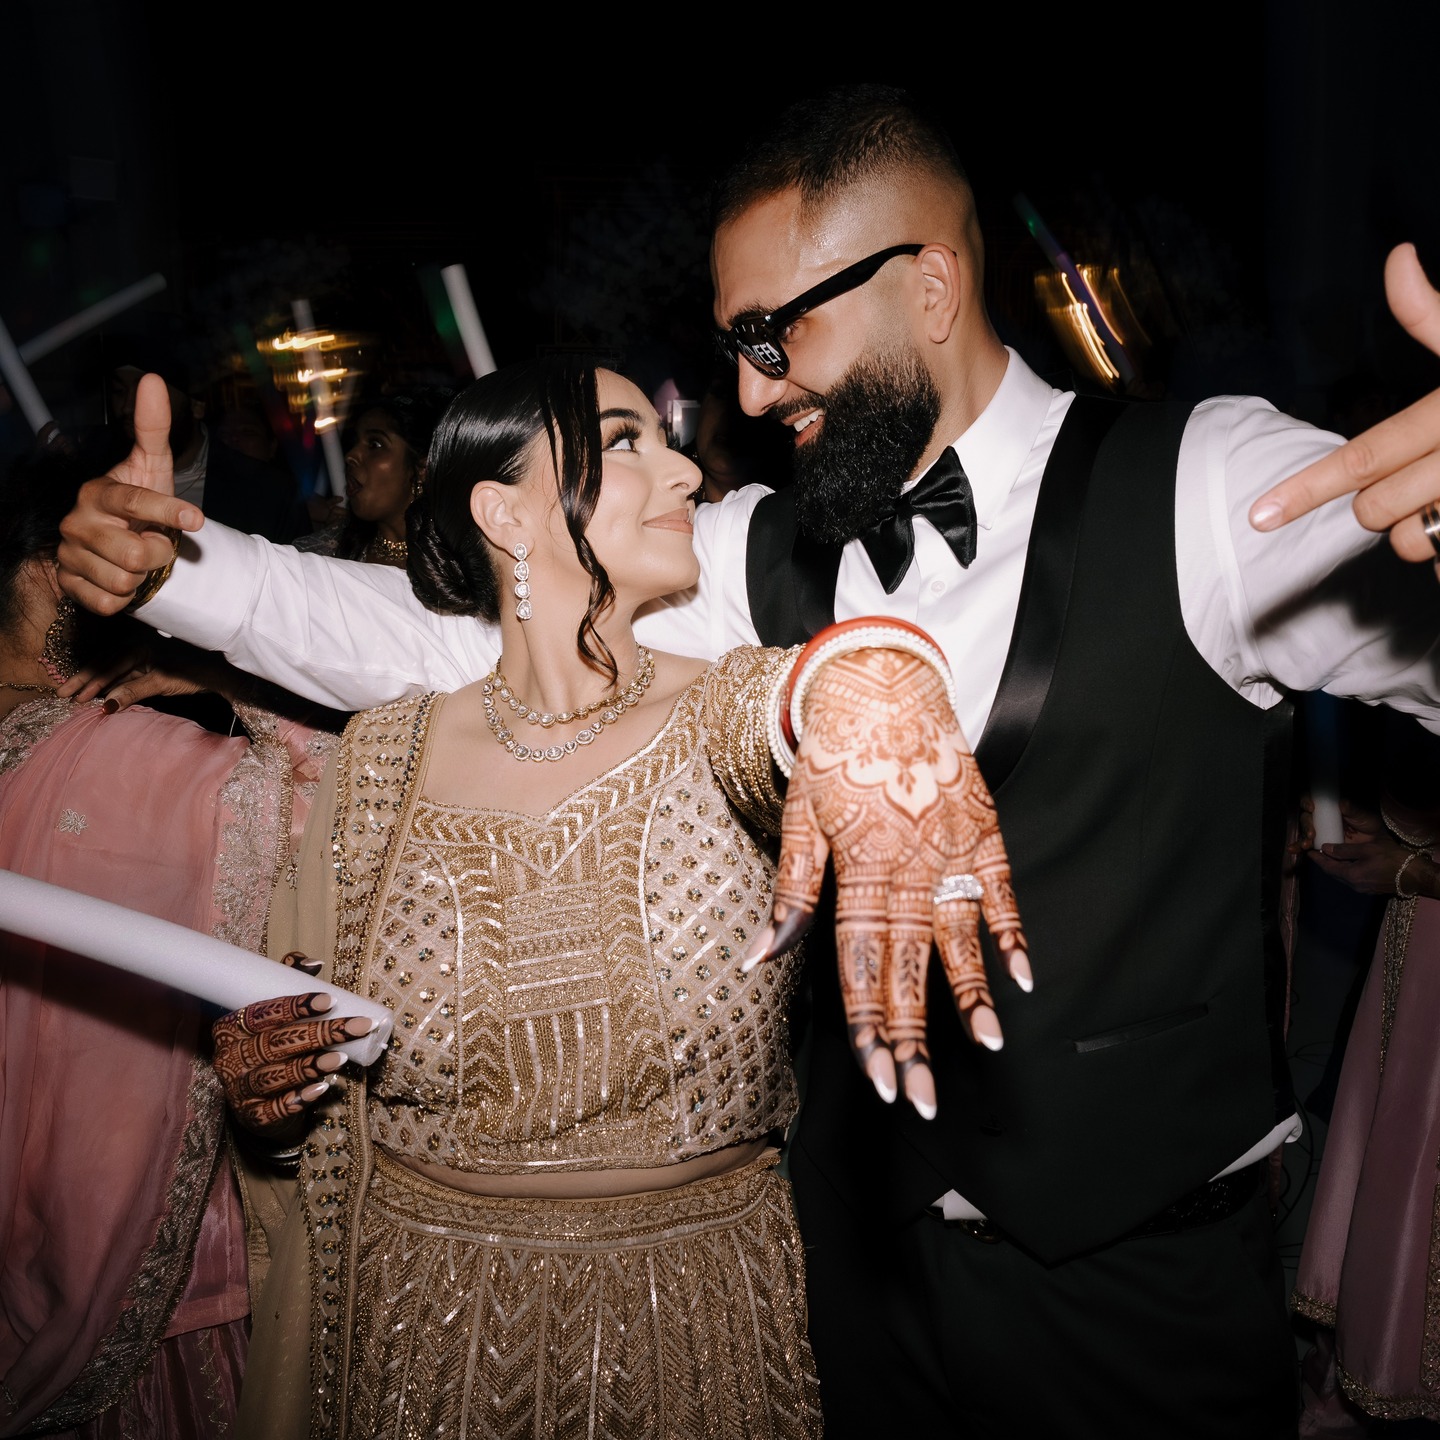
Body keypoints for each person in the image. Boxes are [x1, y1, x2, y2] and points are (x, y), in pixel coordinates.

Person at [52, 88, 1440, 1438]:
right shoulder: (763, 546)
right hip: (846, 1271)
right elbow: (461, 632)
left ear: (933, 289)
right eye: (732, 343)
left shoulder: (1208, 483)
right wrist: (186, 569)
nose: (746, 387)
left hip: (1136, 1286)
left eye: (774, 334)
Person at [204, 358, 1021, 1439]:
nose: (686, 469)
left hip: (691, 1331)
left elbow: (809, 691)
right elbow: (319, 1049)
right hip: (418, 1334)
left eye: (669, 441)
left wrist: (875, 677)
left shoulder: (726, 709)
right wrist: (276, 1092)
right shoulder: (377, 761)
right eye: (628, 440)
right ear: (504, 511)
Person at [0, 457, 329, 1437]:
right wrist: (208, 668)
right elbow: (356, 804)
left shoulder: (106, 749)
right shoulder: (124, 760)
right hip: (157, 1297)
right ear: (48, 572)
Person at [295, 388, 450, 566]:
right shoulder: (325, 555)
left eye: (375, 444)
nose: (350, 456)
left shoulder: (466, 561)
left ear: (423, 468)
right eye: (354, 443)